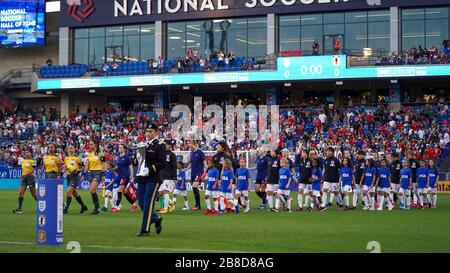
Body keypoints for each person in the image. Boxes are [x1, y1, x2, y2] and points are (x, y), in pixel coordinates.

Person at [136, 123, 166, 237]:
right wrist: (136, 159)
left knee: (148, 203)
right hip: (142, 177)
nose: (148, 133)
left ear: (157, 132)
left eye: (150, 131)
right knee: (141, 203)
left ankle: (145, 230)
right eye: (147, 131)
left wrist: (150, 169)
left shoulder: (160, 145)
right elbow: (137, 161)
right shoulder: (142, 145)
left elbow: (162, 163)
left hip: (153, 178)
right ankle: (156, 218)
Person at [62, 144, 88, 214]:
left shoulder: (78, 158)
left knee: (68, 192)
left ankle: (66, 208)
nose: (70, 149)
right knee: (74, 193)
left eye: (71, 148)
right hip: (68, 176)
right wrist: (61, 173)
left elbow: (82, 167)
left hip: (75, 177)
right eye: (69, 148)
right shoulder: (66, 158)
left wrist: (78, 171)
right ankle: (83, 206)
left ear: (74, 149)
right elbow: (65, 167)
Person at [112, 144, 137, 213]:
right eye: (119, 147)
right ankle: (134, 204)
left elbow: (131, 167)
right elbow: (119, 166)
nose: (119, 149)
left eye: (121, 148)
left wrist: (132, 177)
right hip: (120, 176)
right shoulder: (118, 157)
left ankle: (116, 206)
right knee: (124, 192)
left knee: (119, 190)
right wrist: (113, 169)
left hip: (125, 176)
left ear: (124, 149)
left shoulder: (127, 157)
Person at [12, 149, 37, 214]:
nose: (26, 153)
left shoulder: (33, 161)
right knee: (20, 193)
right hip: (24, 178)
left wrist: (25, 175)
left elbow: (33, 170)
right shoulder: (23, 161)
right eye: (25, 152)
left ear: (31, 154)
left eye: (27, 152)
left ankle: (43, 206)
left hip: (30, 178)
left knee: (34, 195)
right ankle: (19, 208)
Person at [84, 139, 105, 215]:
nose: (90, 145)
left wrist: (103, 174)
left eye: (92, 144)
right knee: (92, 191)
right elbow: (87, 164)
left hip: (98, 172)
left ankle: (97, 207)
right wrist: (84, 173)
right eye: (90, 144)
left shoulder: (100, 153)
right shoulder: (89, 153)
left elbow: (103, 164)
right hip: (91, 172)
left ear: (96, 145)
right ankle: (97, 207)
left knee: (92, 190)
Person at [159, 140, 177, 214]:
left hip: (169, 176)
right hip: (161, 176)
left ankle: (166, 208)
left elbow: (174, 167)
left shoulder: (172, 155)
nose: (163, 146)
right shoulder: (161, 154)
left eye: (165, 144)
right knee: (160, 193)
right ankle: (171, 203)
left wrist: (175, 177)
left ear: (169, 145)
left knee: (165, 191)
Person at [188, 141, 206, 211]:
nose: (189, 145)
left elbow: (204, 162)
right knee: (194, 188)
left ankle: (198, 205)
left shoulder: (200, 152)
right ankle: (198, 205)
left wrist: (206, 171)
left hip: (199, 172)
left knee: (194, 187)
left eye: (190, 144)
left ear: (194, 144)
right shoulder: (191, 153)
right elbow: (191, 164)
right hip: (193, 173)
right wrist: (186, 169)